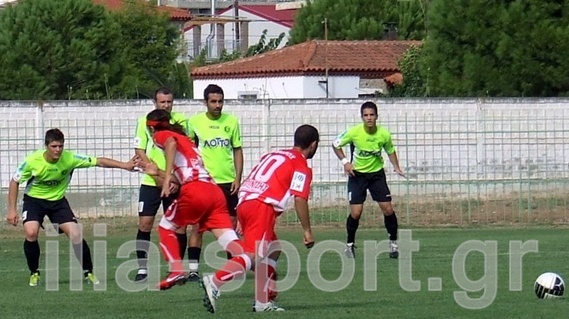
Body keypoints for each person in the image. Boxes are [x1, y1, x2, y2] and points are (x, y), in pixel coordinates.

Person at [200, 124, 319, 313]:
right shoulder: (301, 165)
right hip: (261, 207)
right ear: (313, 145)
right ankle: (214, 282)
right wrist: (307, 230)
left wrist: (241, 215)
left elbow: (253, 179)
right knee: (253, 255)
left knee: (274, 249)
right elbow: (300, 198)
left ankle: (263, 301)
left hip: (246, 202)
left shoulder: (274, 155)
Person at [5, 128, 137, 286]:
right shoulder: (33, 161)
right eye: (54, 146)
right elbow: (15, 181)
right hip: (34, 201)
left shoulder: (70, 158)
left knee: (75, 234)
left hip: (58, 202)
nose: (58, 150)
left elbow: (99, 161)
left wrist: (124, 165)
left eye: (60, 146)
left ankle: (88, 273)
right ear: (46, 146)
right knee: (31, 232)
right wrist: (11, 209)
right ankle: (34, 273)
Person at [136, 109, 246, 292]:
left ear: (151, 128)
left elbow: (170, 144)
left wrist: (167, 174)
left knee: (165, 226)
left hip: (195, 190)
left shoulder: (162, 135)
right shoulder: (186, 141)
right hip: (214, 192)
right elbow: (183, 175)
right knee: (233, 246)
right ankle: (254, 262)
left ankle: (176, 270)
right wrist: (159, 173)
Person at [186, 84, 243, 281]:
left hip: (228, 181)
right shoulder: (194, 123)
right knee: (197, 226)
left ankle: (232, 268)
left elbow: (237, 150)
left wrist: (238, 177)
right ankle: (193, 269)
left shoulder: (232, 122)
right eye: (213, 102)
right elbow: (189, 152)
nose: (218, 105)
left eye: (220, 101)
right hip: (205, 183)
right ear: (205, 102)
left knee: (232, 224)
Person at [332, 101, 404, 259]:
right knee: (356, 213)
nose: (369, 118)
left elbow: (390, 150)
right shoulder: (354, 132)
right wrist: (346, 163)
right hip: (357, 176)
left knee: (388, 209)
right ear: (362, 117)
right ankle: (350, 245)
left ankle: (393, 243)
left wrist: (397, 167)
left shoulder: (384, 134)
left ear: (376, 116)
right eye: (366, 115)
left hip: (377, 175)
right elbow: (335, 144)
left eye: (372, 115)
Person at [132, 87, 190, 282]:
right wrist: (156, 175)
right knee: (145, 224)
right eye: (162, 102)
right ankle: (142, 269)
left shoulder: (181, 121)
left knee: (179, 226)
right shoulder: (144, 122)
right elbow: (140, 151)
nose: (166, 105)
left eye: (169, 102)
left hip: (175, 181)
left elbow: (185, 151)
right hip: (150, 181)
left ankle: (177, 269)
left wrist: (174, 179)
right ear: (155, 103)